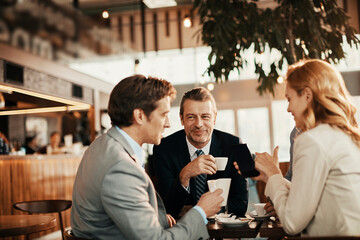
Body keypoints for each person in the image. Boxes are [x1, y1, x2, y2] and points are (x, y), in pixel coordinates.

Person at [70, 75, 224, 239]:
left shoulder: (102, 144)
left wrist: (152, 217)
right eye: (163, 114)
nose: (168, 124)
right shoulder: (120, 167)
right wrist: (200, 212)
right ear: (140, 116)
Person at [245, 59, 360, 236]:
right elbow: (316, 193)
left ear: (307, 95)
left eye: (289, 99)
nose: (288, 108)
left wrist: (275, 174)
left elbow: (292, 223)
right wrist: (272, 175)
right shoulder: (345, 135)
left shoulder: (311, 140)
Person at [153, 87, 248, 219]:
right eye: (191, 117)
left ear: (214, 118)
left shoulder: (236, 145)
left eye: (205, 117)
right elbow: (167, 208)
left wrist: (198, 210)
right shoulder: (163, 148)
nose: (198, 124)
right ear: (181, 119)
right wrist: (184, 175)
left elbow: (241, 205)